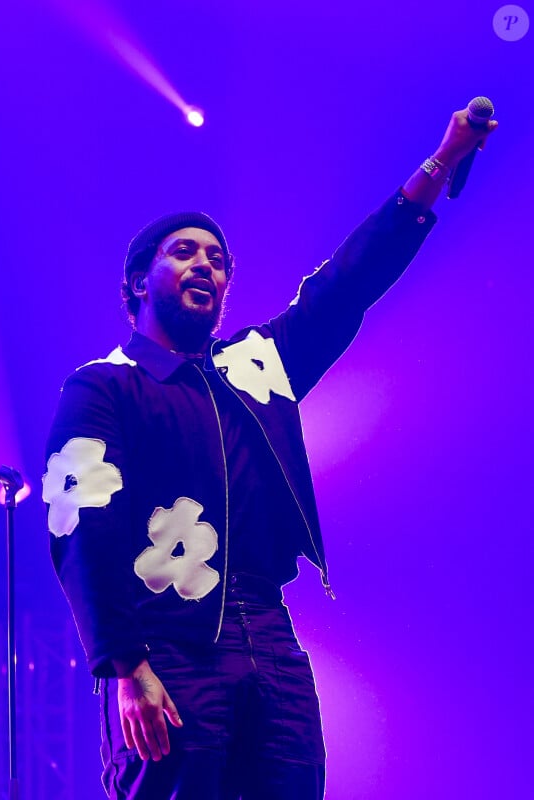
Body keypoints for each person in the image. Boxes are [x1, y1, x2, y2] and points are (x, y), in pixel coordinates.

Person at [43, 106, 497, 799]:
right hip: (167, 640)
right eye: (186, 252)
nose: (207, 266)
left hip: (270, 638)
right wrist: (125, 666)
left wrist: (442, 162)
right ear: (138, 282)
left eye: (219, 260)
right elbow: (80, 526)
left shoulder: (257, 364)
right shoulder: (105, 387)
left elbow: (348, 283)